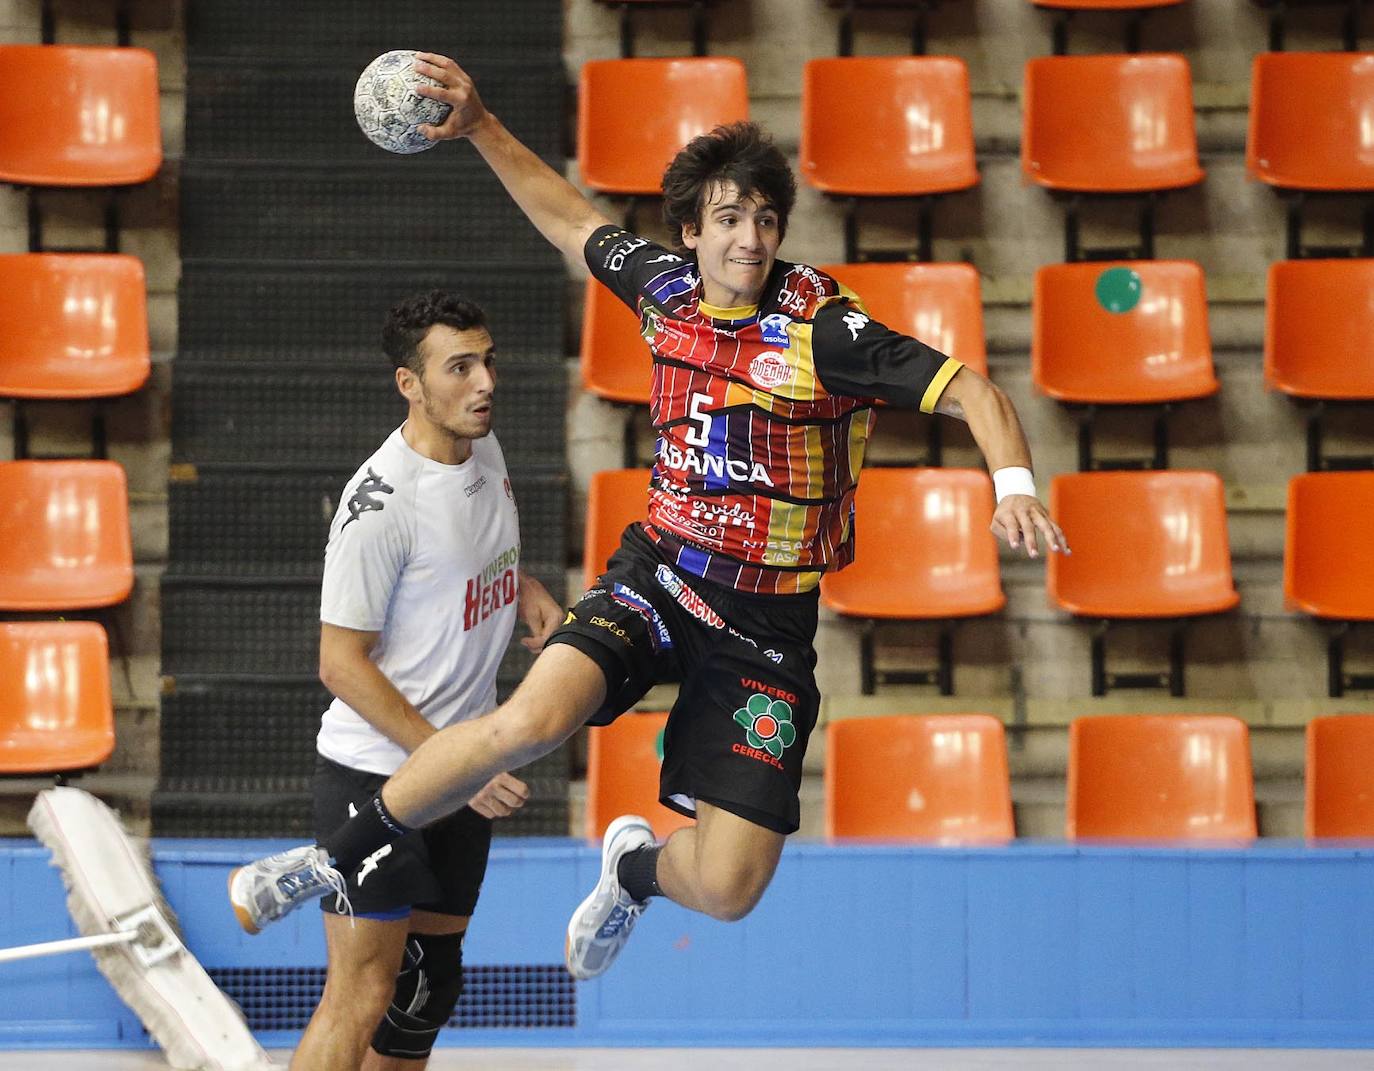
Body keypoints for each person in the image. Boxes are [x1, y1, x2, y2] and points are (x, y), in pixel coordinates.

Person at [229, 52, 1070, 985]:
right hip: (661, 576)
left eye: (763, 219)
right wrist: (479, 126)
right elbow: (565, 215)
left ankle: (632, 866)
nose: (748, 238)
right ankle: (333, 854)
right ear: (690, 234)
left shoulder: (825, 332)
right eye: (726, 219)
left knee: (731, 884)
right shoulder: (665, 290)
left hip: (767, 624)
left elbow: (977, 395)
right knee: (530, 719)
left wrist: (1015, 486)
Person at [232, 291, 565, 1071]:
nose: (485, 382)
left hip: (458, 774)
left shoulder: (482, 446)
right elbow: (339, 661)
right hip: (376, 774)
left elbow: (474, 556)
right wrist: (456, 758)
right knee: (362, 992)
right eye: (460, 366)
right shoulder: (378, 504)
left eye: (488, 360)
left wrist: (527, 587)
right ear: (409, 384)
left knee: (427, 989)